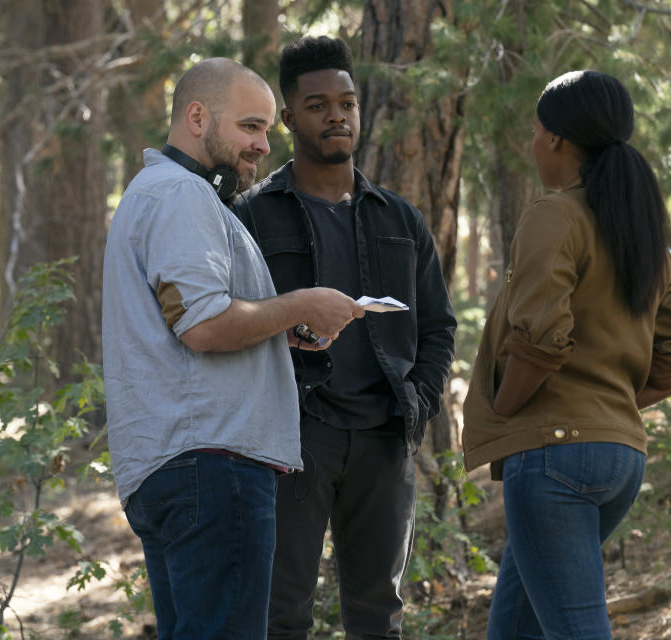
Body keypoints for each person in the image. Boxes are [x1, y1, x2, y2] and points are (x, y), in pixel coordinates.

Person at [101, 57, 364, 640]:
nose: (264, 145)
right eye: (250, 127)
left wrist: (281, 330)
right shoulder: (180, 196)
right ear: (197, 117)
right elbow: (203, 326)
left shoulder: (158, 193)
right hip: (212, 464)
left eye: (268, 130)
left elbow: (187, 317)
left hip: (179, 463)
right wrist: (302, 304)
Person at [234, 36, 456, 640]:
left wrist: (418, 401)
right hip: (292, 437)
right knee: (280, 614)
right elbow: (228, 321)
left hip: (384, 438)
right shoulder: (252, 216)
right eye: (318, 104)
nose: (337, 115)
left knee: (378, 614)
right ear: (288, 118)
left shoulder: (399, 219)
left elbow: (438, 327)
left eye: (348, 102)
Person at [462, 70, 671, 640]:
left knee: (577, 630)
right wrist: (606, 410)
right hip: (620, 458)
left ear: (559, 141)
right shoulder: (636, 229)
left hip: (554, 459)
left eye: (536, 132)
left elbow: (542, 339)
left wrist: (511, 409)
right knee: (514, 631)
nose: (532, 144)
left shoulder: (555, 215)